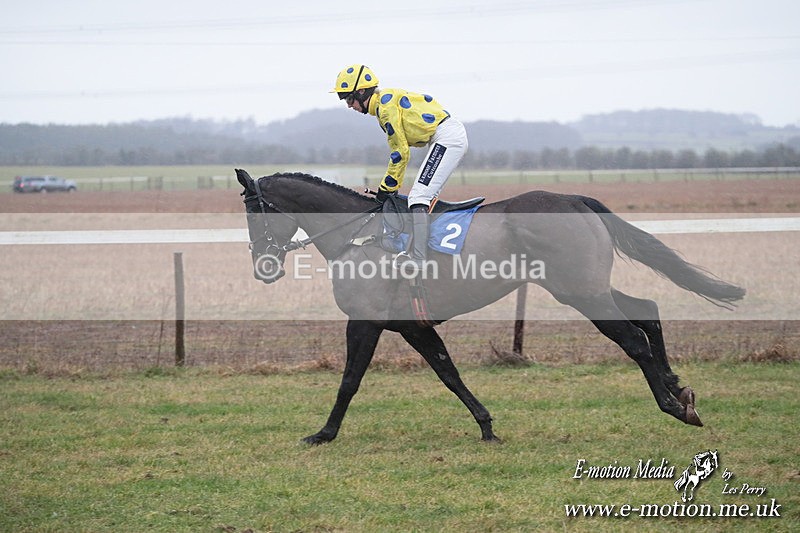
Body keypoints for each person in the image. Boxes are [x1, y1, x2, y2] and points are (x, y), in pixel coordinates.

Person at [332, 64, 469, 274]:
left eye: (349, 99)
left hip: (447, 137)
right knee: (423, 195)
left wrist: (386, 188)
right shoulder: (383, 104)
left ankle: (419, 259)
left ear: (361, 92)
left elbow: (400, 153)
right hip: (445, 136)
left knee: (419, 196)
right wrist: (389, 187)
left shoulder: (385, 108)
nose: (349, 106)